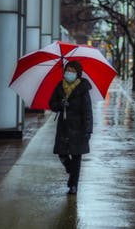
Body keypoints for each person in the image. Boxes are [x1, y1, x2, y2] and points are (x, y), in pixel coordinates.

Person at [49, 60, 93, 194]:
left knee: (76, 157)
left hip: (78, 128)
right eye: (68, 70)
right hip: (63, 127)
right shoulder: (59, 86)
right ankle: (70, 169)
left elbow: (87, 111)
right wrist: (61, 104)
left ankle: (73, 185)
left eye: (73, 71)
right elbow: (52, 104)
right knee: (61, 153)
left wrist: (88, 130)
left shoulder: (83, 89)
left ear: (78, 74)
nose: (70, 73)